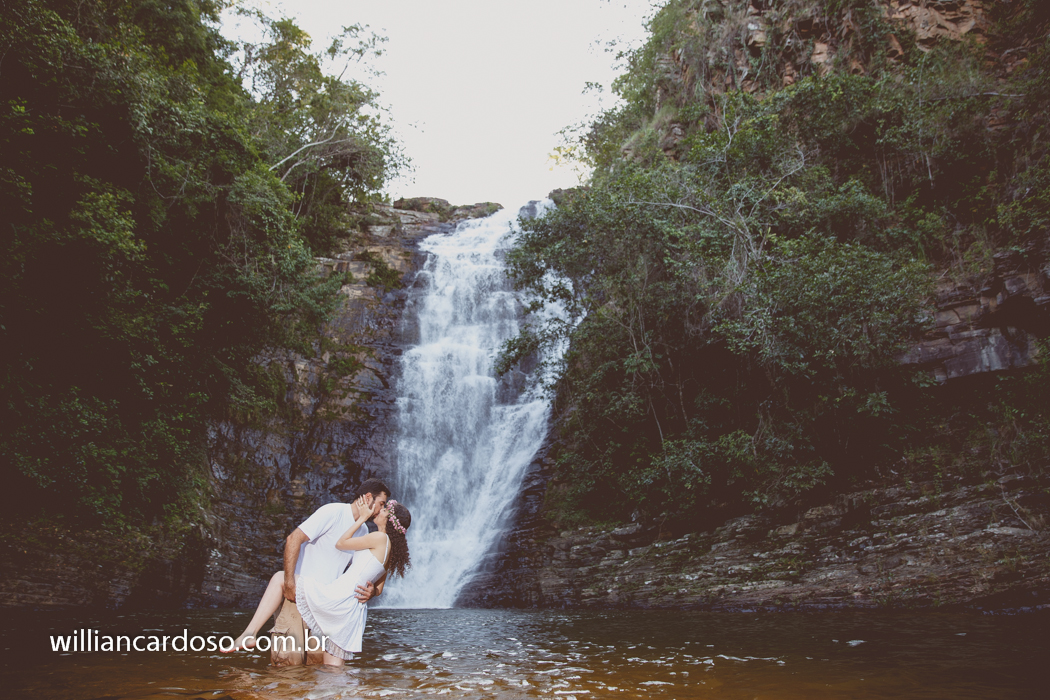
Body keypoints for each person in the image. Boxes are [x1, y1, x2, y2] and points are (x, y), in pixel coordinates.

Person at [229, 496, 412, 666]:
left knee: (280, 578)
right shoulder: (390, 549)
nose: (379, 510)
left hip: (337, 598)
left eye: (385, 510)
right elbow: (378, 588)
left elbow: (341, 543)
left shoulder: (379, 537)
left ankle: (250, 634)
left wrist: (361, 519)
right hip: (351, 609)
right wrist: (371, 592)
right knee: (332, 672)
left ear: (390, 520)